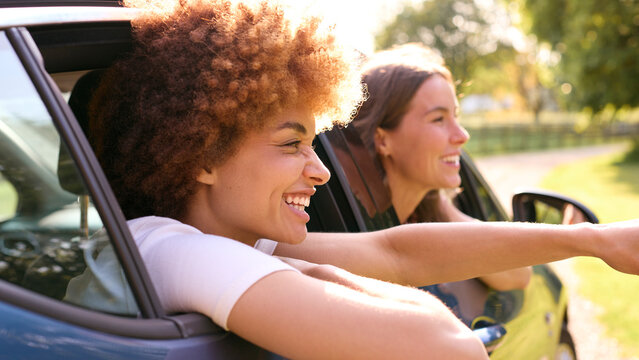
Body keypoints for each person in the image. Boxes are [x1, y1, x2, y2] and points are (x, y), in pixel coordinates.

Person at [76, 0, 639, 359]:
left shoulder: (202, 241)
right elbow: (449, 347)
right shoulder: (173, 250)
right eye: (292, 144)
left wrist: (594, 240)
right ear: (203, 154)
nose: (319, 170)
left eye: (316, 144)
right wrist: (312, 268)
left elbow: (395, 251)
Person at [346, 43, 531, 292]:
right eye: (439, 119)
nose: (462, 135)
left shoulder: (425, 213)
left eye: (456, 116)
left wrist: (437, 202)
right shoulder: (352, 227)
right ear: (383, 140)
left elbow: (518, 274)